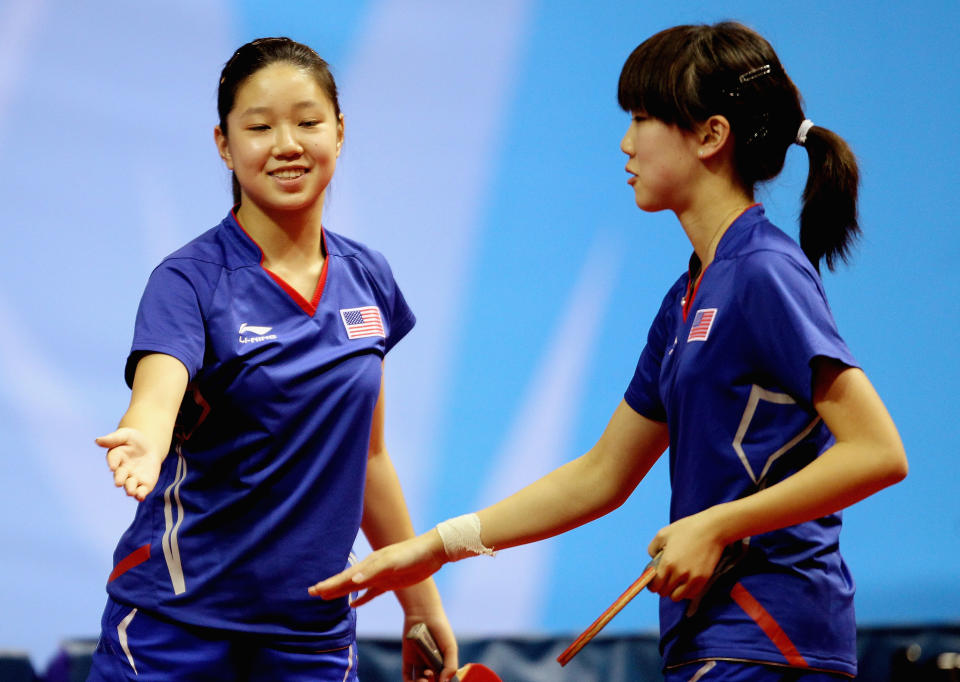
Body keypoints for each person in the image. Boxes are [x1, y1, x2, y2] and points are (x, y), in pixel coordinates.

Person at [311, 21, 907, 681]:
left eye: (645, 118)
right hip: (709, 637)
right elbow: (600, 475)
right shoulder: (688, 295)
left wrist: (715, 526)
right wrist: (436, 548)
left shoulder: (765, 271)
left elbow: (877, 451)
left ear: (711, 135)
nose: (626, 143)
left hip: (773, 638)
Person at [88, 37, 456, 682]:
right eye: (259, 127)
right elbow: (158, 387)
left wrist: (419, 602)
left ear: (339, 133)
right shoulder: (189, 279)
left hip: (309, 633)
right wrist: (144, 438)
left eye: (308, 122)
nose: (287, 144)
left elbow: (367, 457)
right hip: (176, 623)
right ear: (225, 145)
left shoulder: (368, 277)